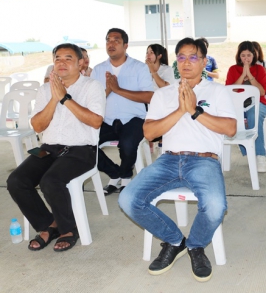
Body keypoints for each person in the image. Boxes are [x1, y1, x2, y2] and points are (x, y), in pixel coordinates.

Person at [118, 37, 237, 282]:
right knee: (128, 199)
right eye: (181, 57)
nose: (186, 62)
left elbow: (230, 128)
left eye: (193, 57)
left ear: (204, 61)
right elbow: (150, 133)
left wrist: (194, 110)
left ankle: (196, 245)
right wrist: (181, 110)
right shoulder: (163, 94)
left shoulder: (218, 91)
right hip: (169, 160)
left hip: (204, 161)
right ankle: (174, 240)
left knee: (215, 207)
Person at [7, 43, 105, 252]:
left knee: (50, 181)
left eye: (68, 58)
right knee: (16, 180)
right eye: (57, 59)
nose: (61, 63)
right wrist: (53, 98)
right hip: (49, 148)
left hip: (81, 150)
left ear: (80, 63)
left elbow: (95, 121)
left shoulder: (92, 86)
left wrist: (65, 98)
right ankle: (48, 224)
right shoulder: (44, 90)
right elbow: (38, 126)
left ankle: (68, 229)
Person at [91, 28, 154, 195]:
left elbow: (149, 96)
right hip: (107, 119)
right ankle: (115, 173)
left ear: (125, 45)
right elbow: (92, 100)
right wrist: (109, 90)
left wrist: (118, 89)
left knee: (127, 144)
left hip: (134, 119)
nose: (111, 44)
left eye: (116, 41)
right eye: (108, 40)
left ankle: (126, 178)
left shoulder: (139, 68)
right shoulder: (98, 70)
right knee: (84, 143)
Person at [225, 41, 266, 173]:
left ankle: (260, 155)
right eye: (243, 55)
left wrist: (250, 76)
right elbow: (229, 91)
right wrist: (242, 76)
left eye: (249, 55)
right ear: (238, 56)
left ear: (254, 55)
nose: (246, 59)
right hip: (237, 105)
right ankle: (252, 149)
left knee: (252, 116)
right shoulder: (233, 69)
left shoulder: (260, 69)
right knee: (233, 121)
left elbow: (262, 92)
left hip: (257, 103)